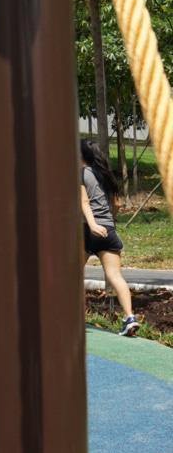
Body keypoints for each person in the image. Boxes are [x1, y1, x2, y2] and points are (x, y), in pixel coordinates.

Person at [81, 138, 139, 336]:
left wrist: (93, 225)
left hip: (88, 230)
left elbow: (85, 203)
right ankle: (130, 318)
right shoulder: (105, 175)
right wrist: (109, 222)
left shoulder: (82, 173)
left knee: (72, 277)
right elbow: (116, 204)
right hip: (108, 230)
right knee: (116, 276)